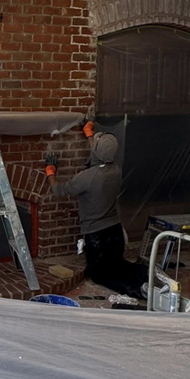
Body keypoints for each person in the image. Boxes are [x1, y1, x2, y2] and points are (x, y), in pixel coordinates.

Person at [44, 120, 147, 299]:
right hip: (115, 232)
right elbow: (99, 153)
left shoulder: (86, 178)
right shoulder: (116, 169)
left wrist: (50, 172)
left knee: (101, 275)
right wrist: (89, 134)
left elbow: (59, 190)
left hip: (97, 237)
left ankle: (138, 291)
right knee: (118, 265)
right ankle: (147, 275)